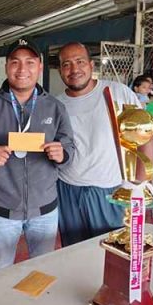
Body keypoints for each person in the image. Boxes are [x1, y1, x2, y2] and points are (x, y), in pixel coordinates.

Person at [0, 38, 74, 270]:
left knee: (43, 270)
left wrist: (62, 154)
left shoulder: (55, 107)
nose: (22, 69)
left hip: (45, 209)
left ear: (40, 67)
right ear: (6, 67)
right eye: (15, 62)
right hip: (2, 209)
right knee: (1, 269)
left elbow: (70, 146)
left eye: (30, 62)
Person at [55, 42, 144, 246]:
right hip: (68, 190)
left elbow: (145, 137)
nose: (74, 69)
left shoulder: (119, 93)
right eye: (66, 64)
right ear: (60, 70)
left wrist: (138, 184)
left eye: (80, 61)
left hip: (110, 189)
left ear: (91, 65)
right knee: (73, 251)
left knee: (111, 252)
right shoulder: (55, 104)